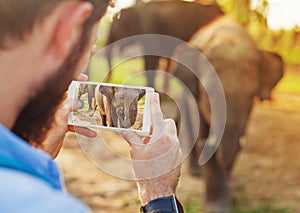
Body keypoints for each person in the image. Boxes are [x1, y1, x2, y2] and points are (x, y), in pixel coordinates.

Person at [0, 0, 183, 212]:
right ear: (67, 32)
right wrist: (158, 193)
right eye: (92, 45)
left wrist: (34, 156)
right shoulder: (47, 206)